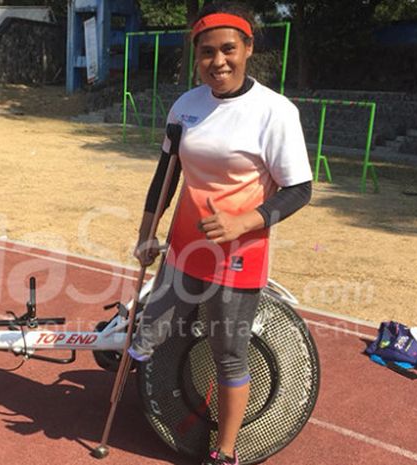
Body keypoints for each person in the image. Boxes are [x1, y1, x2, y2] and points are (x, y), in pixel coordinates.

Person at [126, 2, 312, 465]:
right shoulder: (186, 105)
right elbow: (165, 176)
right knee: (151, 330)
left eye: (228, 49)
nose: (218, 62)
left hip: (238, 256)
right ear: (197, 56)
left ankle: (225, 450)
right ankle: (157, 395)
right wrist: (147, 234)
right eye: (207, 52)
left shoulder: (275, 111)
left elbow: (300, 189)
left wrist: (243, 222)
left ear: (248, 48)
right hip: (183, 249)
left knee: (229, 350)